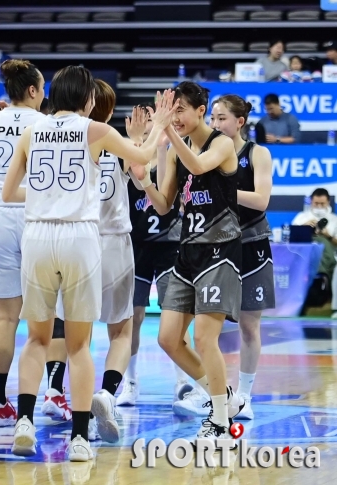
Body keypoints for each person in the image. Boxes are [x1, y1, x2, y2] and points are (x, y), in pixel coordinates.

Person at [5, 67, 176, 461]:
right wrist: (159, 124)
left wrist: (50, 193)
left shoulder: (32, 132)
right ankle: (80, 438)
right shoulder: (94, 130)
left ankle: (24, 422)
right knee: (80, 345)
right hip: (79, 236)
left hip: (37, 236)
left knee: (36, 339)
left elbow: (10, 190)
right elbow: (145, 156)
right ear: (89, 100)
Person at [132, 81, 245, 445]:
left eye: (180, 109)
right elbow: (164, 206)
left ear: (200, 111)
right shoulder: (174, 150)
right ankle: (223, 398)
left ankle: (221, 421)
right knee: (168, 339)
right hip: (187, 254)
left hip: (220, 253)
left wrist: (164, 131)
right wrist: (144, 180)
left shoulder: (221, 144)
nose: (174, 116)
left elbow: (197, 163)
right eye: (170, 109)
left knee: (204, 338)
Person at [0, 59, 45, 427]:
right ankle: (50, 395)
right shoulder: (46, 125)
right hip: (35, 210)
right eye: (42, 88)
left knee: (4, 317)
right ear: (32, 90)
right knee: (45, 318)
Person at [118, 104, 192, 409]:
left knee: (173, 316)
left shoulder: (171, 150)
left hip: (168, 243)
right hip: (134, 245)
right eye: (142, 119)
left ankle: (182, 381)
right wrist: (137, 143)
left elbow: (162, 190)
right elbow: (137, 180)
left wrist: (160, 148)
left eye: (151, 118)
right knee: (131, 318)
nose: (147, 122)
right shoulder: (127, 150)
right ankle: (130, 384)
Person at [211, 94, 275, 420]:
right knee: (207, 327)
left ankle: (245, 396)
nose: (215, 124)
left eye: (222, 118)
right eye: (212, 117)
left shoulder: (257, 153)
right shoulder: (206, 154)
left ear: (239, 122)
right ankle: (215, 394)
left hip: (252, 243)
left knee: (249, 326)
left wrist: (223, 192)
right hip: (217, 245)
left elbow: (262, 199)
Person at [291, 188, 337, 312]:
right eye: (316, 203)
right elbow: (290, 238)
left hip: (328, 256)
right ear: (311, 202)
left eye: (322, 204)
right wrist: (304, 227)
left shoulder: (334, 219)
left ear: (328, 202)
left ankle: (320, 284)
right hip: (304, 255)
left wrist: (328, 235)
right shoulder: (301, 217)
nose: (319, 206)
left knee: (321, 243)